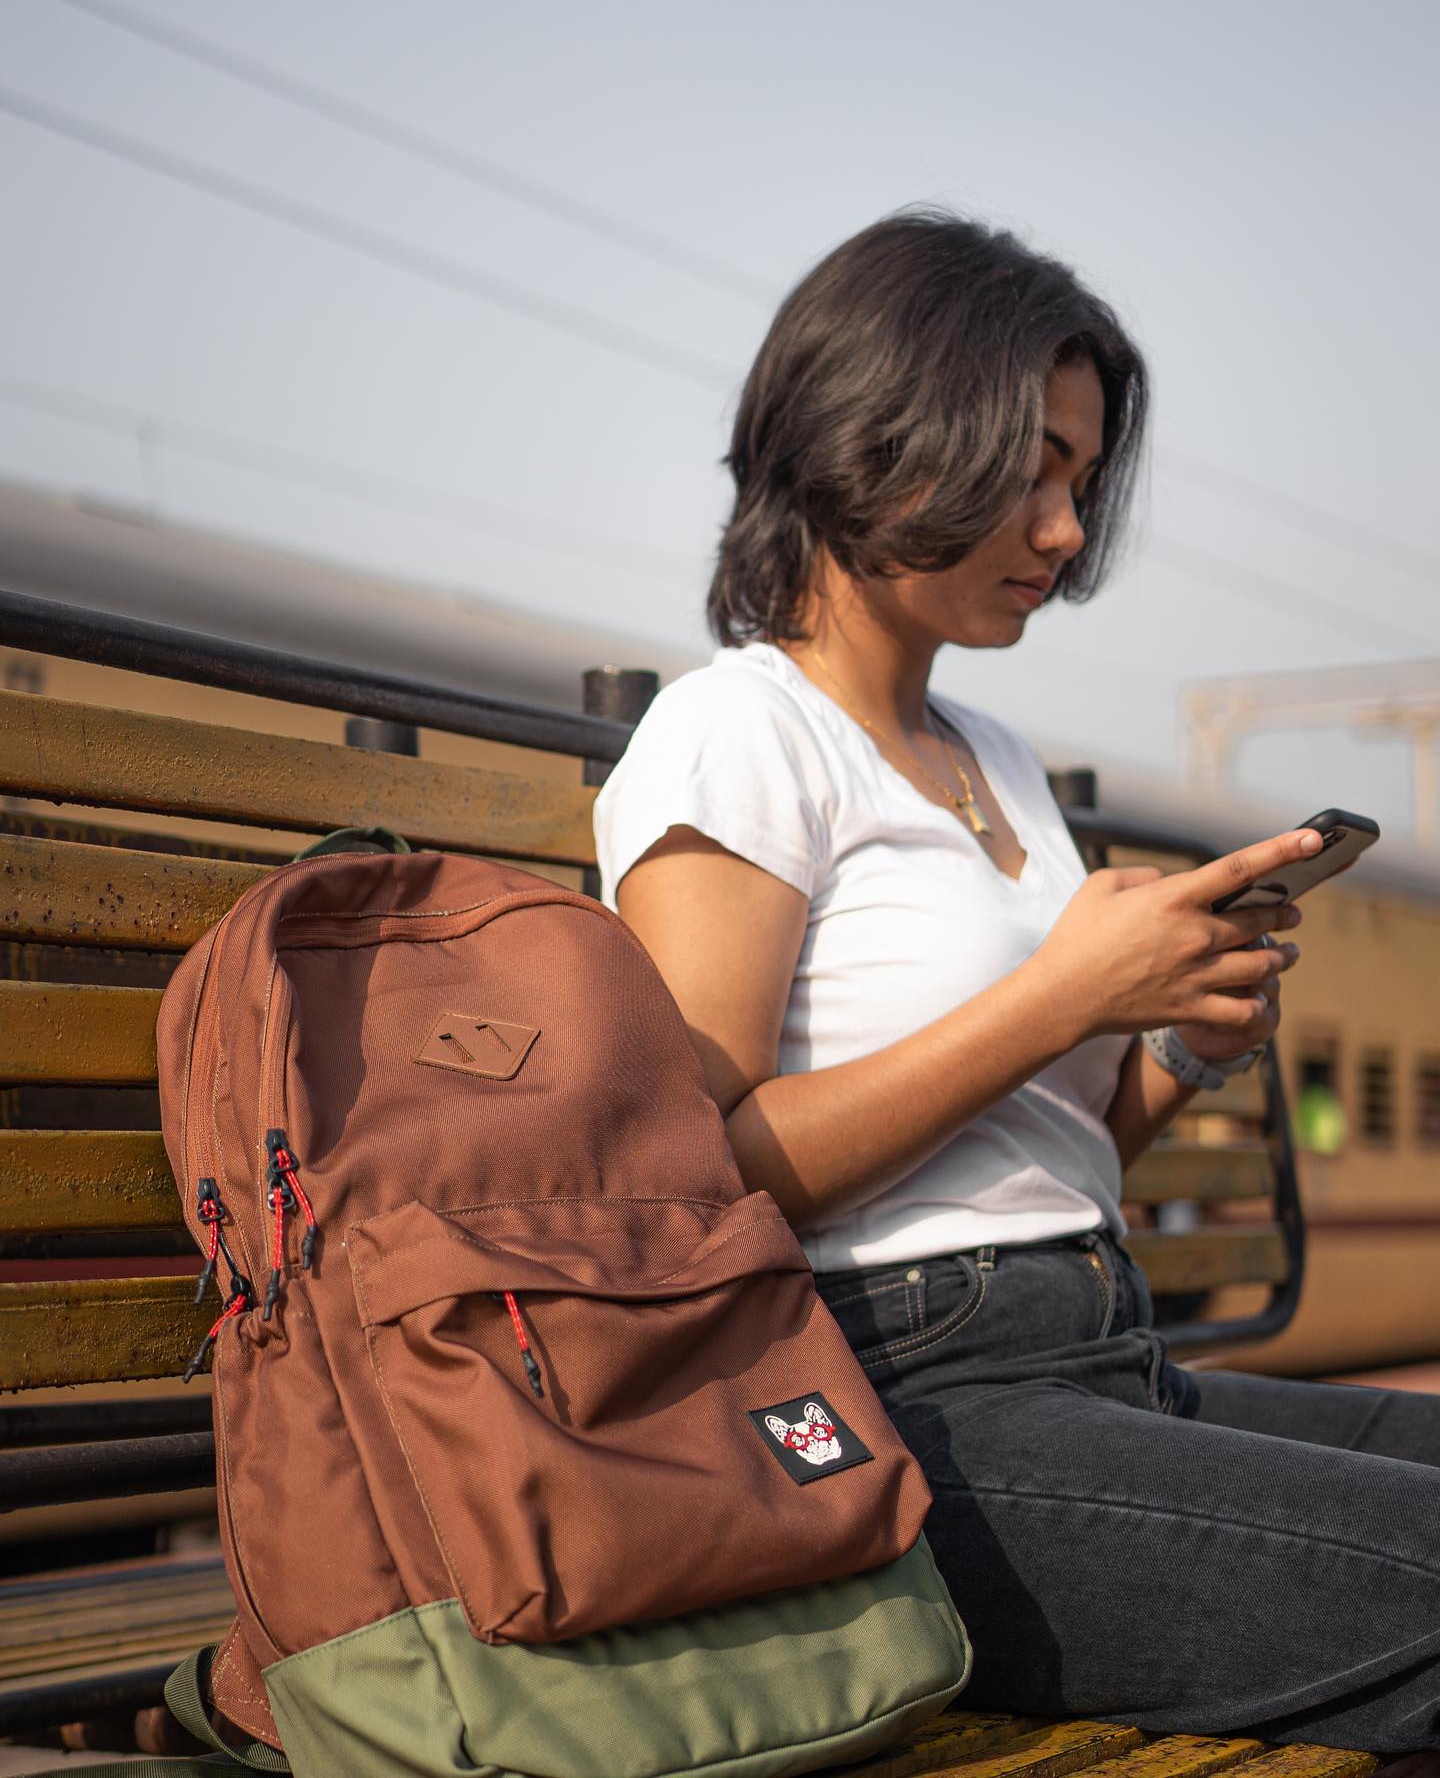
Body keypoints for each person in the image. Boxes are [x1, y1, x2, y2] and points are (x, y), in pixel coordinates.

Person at [593, 210, 1440, 1753]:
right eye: (1030, 468)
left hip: (1101, 1352)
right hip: (900, 1408)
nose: (1064, 530)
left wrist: (1177, 1037)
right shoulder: (739, 734)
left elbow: (1053, 1163)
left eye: (1079, 480)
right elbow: (693, 1181)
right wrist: (1060, 995)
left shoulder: (994, 761)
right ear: (879, 435)